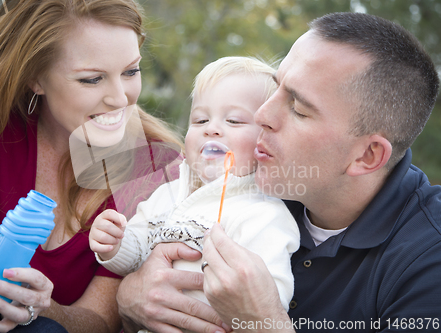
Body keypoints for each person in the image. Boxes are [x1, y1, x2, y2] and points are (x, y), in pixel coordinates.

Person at [116, 12, 441, 333]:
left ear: (367, 156)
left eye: (298, 109)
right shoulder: (245, 180)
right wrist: (130, 297)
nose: (261, 114)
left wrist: (262, 322)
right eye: (275, 89)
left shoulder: (428, 261)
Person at [0, 0, 183, 332]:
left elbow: (100, 321)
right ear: (36, 79)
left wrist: (44, 310)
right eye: (92, 79)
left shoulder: (157, 168)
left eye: (130, 71)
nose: (120, 98)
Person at [89, 57, 300, 332]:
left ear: (265, 140)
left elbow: (271, 298)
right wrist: (115, 244)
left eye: (234, 120)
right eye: (200, 119)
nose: (211, 128)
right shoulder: (166, 194)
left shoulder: (263, 214)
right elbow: (137, 254)